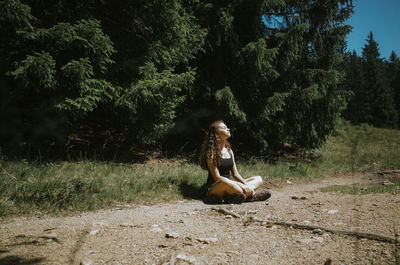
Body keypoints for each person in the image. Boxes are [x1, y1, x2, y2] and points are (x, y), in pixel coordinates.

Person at [199, 120, 271, 204]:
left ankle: (235, 196)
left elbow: (235, 174)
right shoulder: (211, 153)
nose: (228, 129)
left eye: (227, 127)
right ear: (216, 134)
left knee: (258, 179)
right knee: (226, 182)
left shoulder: (229, 151)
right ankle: (251, 196)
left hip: (232, 185)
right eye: (224, 128)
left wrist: (246, 186)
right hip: (216, 186)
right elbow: (217, 178)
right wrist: (242, 186)